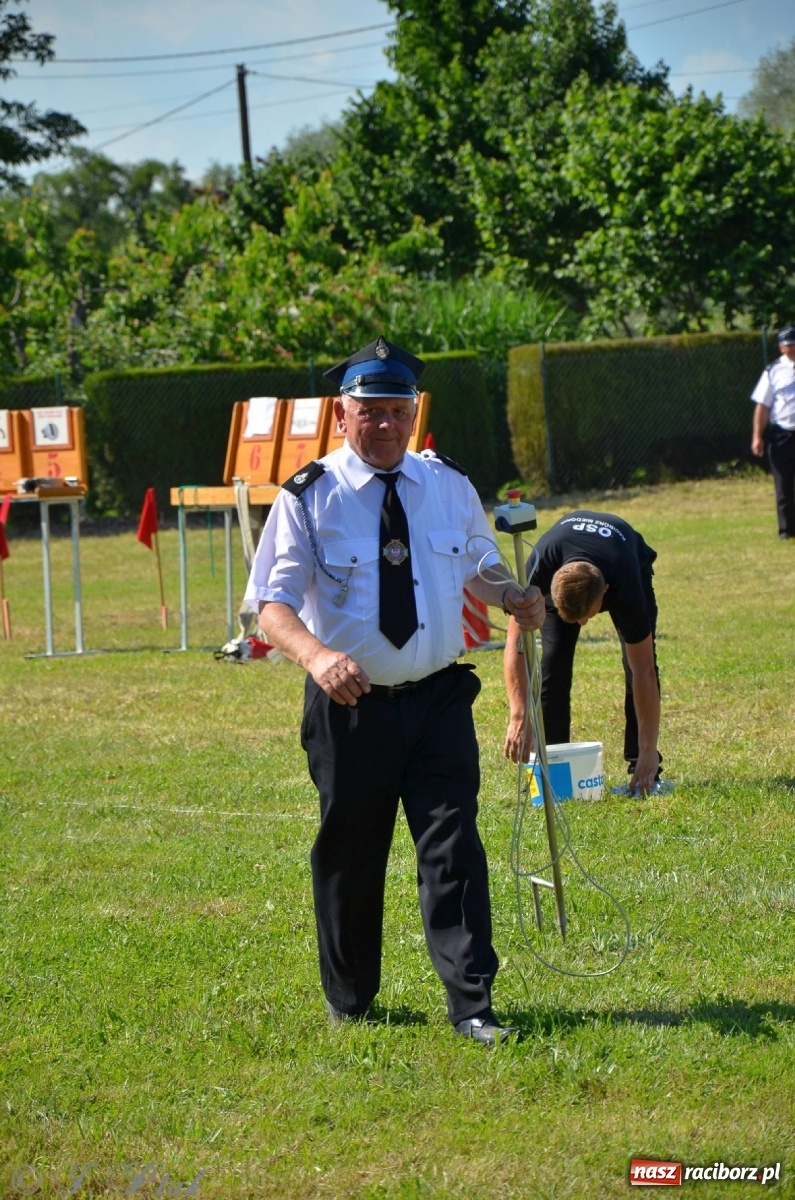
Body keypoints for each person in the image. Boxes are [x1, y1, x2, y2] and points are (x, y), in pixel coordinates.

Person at [244, 337, 544, 1046]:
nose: (382, 425)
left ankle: (472, 1003)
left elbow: (478, 565)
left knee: (453, 849)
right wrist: (318, 658)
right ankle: (351, 1000)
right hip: (351, 707)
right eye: (367, 412)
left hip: (439, 698)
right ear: (340, 417)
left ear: (414, 414)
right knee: (351, 852)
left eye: (395, 411)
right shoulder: (308, 497)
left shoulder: (445, 485)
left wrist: (510, 594)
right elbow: (271, 606)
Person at [503, 511, 662, 796]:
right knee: (554, 663)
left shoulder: (624, 583)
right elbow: (515, 642)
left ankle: (643, 765)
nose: (583, 624)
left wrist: (650, 750)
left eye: (587, 616)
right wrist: (518, 714)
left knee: (633, 665)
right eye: (574, 618)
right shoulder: (539, 568)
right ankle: (551, 763)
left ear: (607, 593)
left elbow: (644, 672)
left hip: (626, 560)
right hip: (562, 567)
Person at [751, 324, 795, 540]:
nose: (792, 349)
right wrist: (757, 436)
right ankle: (787, 530)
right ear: (781, 347)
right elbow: (763, 406)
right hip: (783, 434)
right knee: (784, 484)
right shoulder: (773, 371)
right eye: (789, 345)